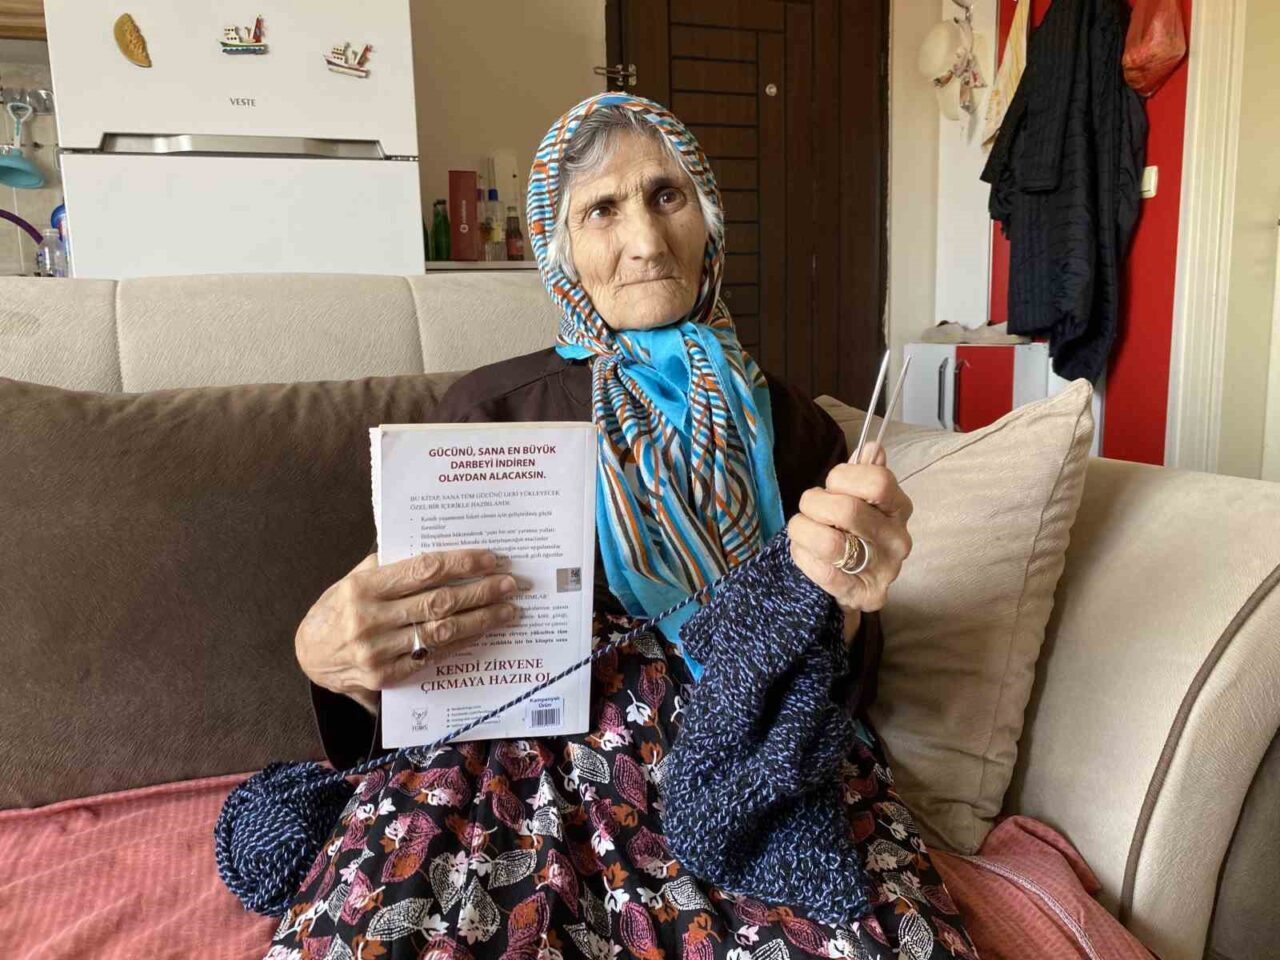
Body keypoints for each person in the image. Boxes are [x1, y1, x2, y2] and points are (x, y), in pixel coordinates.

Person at [274, 94, 975, 960]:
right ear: (558, 245)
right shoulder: (489, 413)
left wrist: (854, 603)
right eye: (602, 209)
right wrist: (327, 656)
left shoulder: (797, 428)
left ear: (710, 223)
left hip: (745, 758)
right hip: (530, 766)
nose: (645, 241)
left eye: (667, 196)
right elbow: (423, 666)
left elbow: (827, 685)